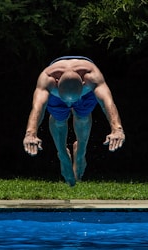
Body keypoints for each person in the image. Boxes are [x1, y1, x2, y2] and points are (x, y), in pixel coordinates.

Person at [23, 56, 125, 186]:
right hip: (59, 93)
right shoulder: (47, 79)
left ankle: (81, 152)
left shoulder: (92, 77)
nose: (69, 104)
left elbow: (107, 103)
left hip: (83, 93)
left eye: (72, 101)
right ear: (57, 81)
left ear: (83, 83)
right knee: (59, 120)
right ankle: (63, 154)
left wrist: (117, 129)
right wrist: (30, 133)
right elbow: (38, 108)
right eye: (66, 100)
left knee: (82, 117)